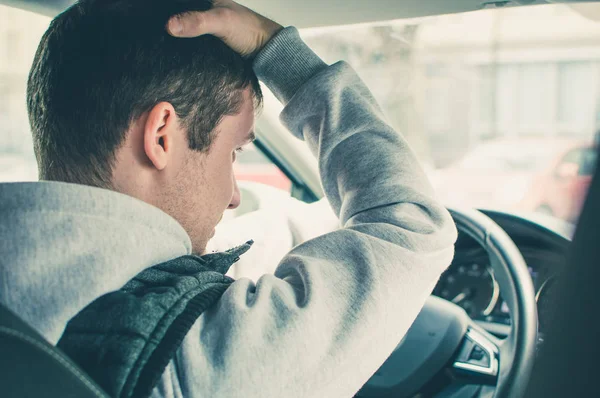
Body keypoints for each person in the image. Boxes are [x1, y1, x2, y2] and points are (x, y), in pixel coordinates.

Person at [0, 0, 457, 396]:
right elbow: (408, 224)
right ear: (161, 136)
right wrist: (275, 49)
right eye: (234, 152)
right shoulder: (200, 360)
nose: (234, 195)